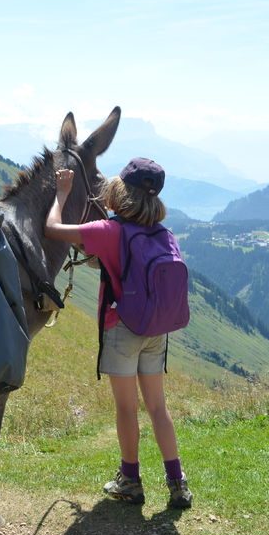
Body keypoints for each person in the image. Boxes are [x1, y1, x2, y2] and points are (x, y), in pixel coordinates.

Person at [44, 157, 193, 509]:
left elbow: (52, 228)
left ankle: (130, 480)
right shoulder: (164, 234)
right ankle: (177, 484)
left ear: (119, 192)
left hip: (122, 327)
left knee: (127, 408)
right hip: (157, 329)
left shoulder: (108, 232)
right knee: (158, 407)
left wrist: (62, 194)